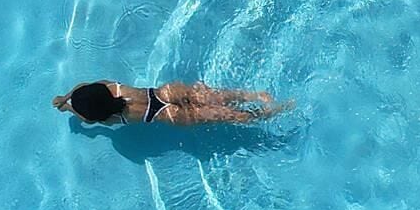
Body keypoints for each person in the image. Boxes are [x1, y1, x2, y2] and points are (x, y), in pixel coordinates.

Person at [55, 80, 291, 126]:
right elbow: (84, 86)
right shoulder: (110, 86)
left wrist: (66, 106)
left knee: (227, 116)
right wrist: (66, 96)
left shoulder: (109, 118)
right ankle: (255, 95)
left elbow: (87, 118)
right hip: (164, 93)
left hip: (166, 115)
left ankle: (274, 112)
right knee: (217, 97)